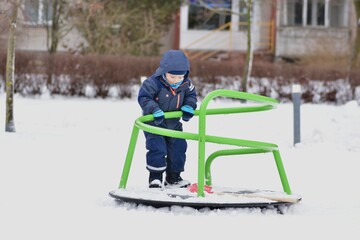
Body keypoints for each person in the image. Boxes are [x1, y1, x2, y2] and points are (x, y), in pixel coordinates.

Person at [138, 50, 197, 188]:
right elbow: (144, 98)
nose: (176, 81)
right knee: (157, 148)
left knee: (179, 148)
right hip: (155, 123)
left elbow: (191, 96)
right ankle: (155, 178)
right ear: (164, 72)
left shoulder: (186, 84)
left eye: (180, 77)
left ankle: (173, 178)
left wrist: (189, 106)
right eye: (172, 77)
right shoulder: (153, 83)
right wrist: (154, 109)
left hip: (174, 123)